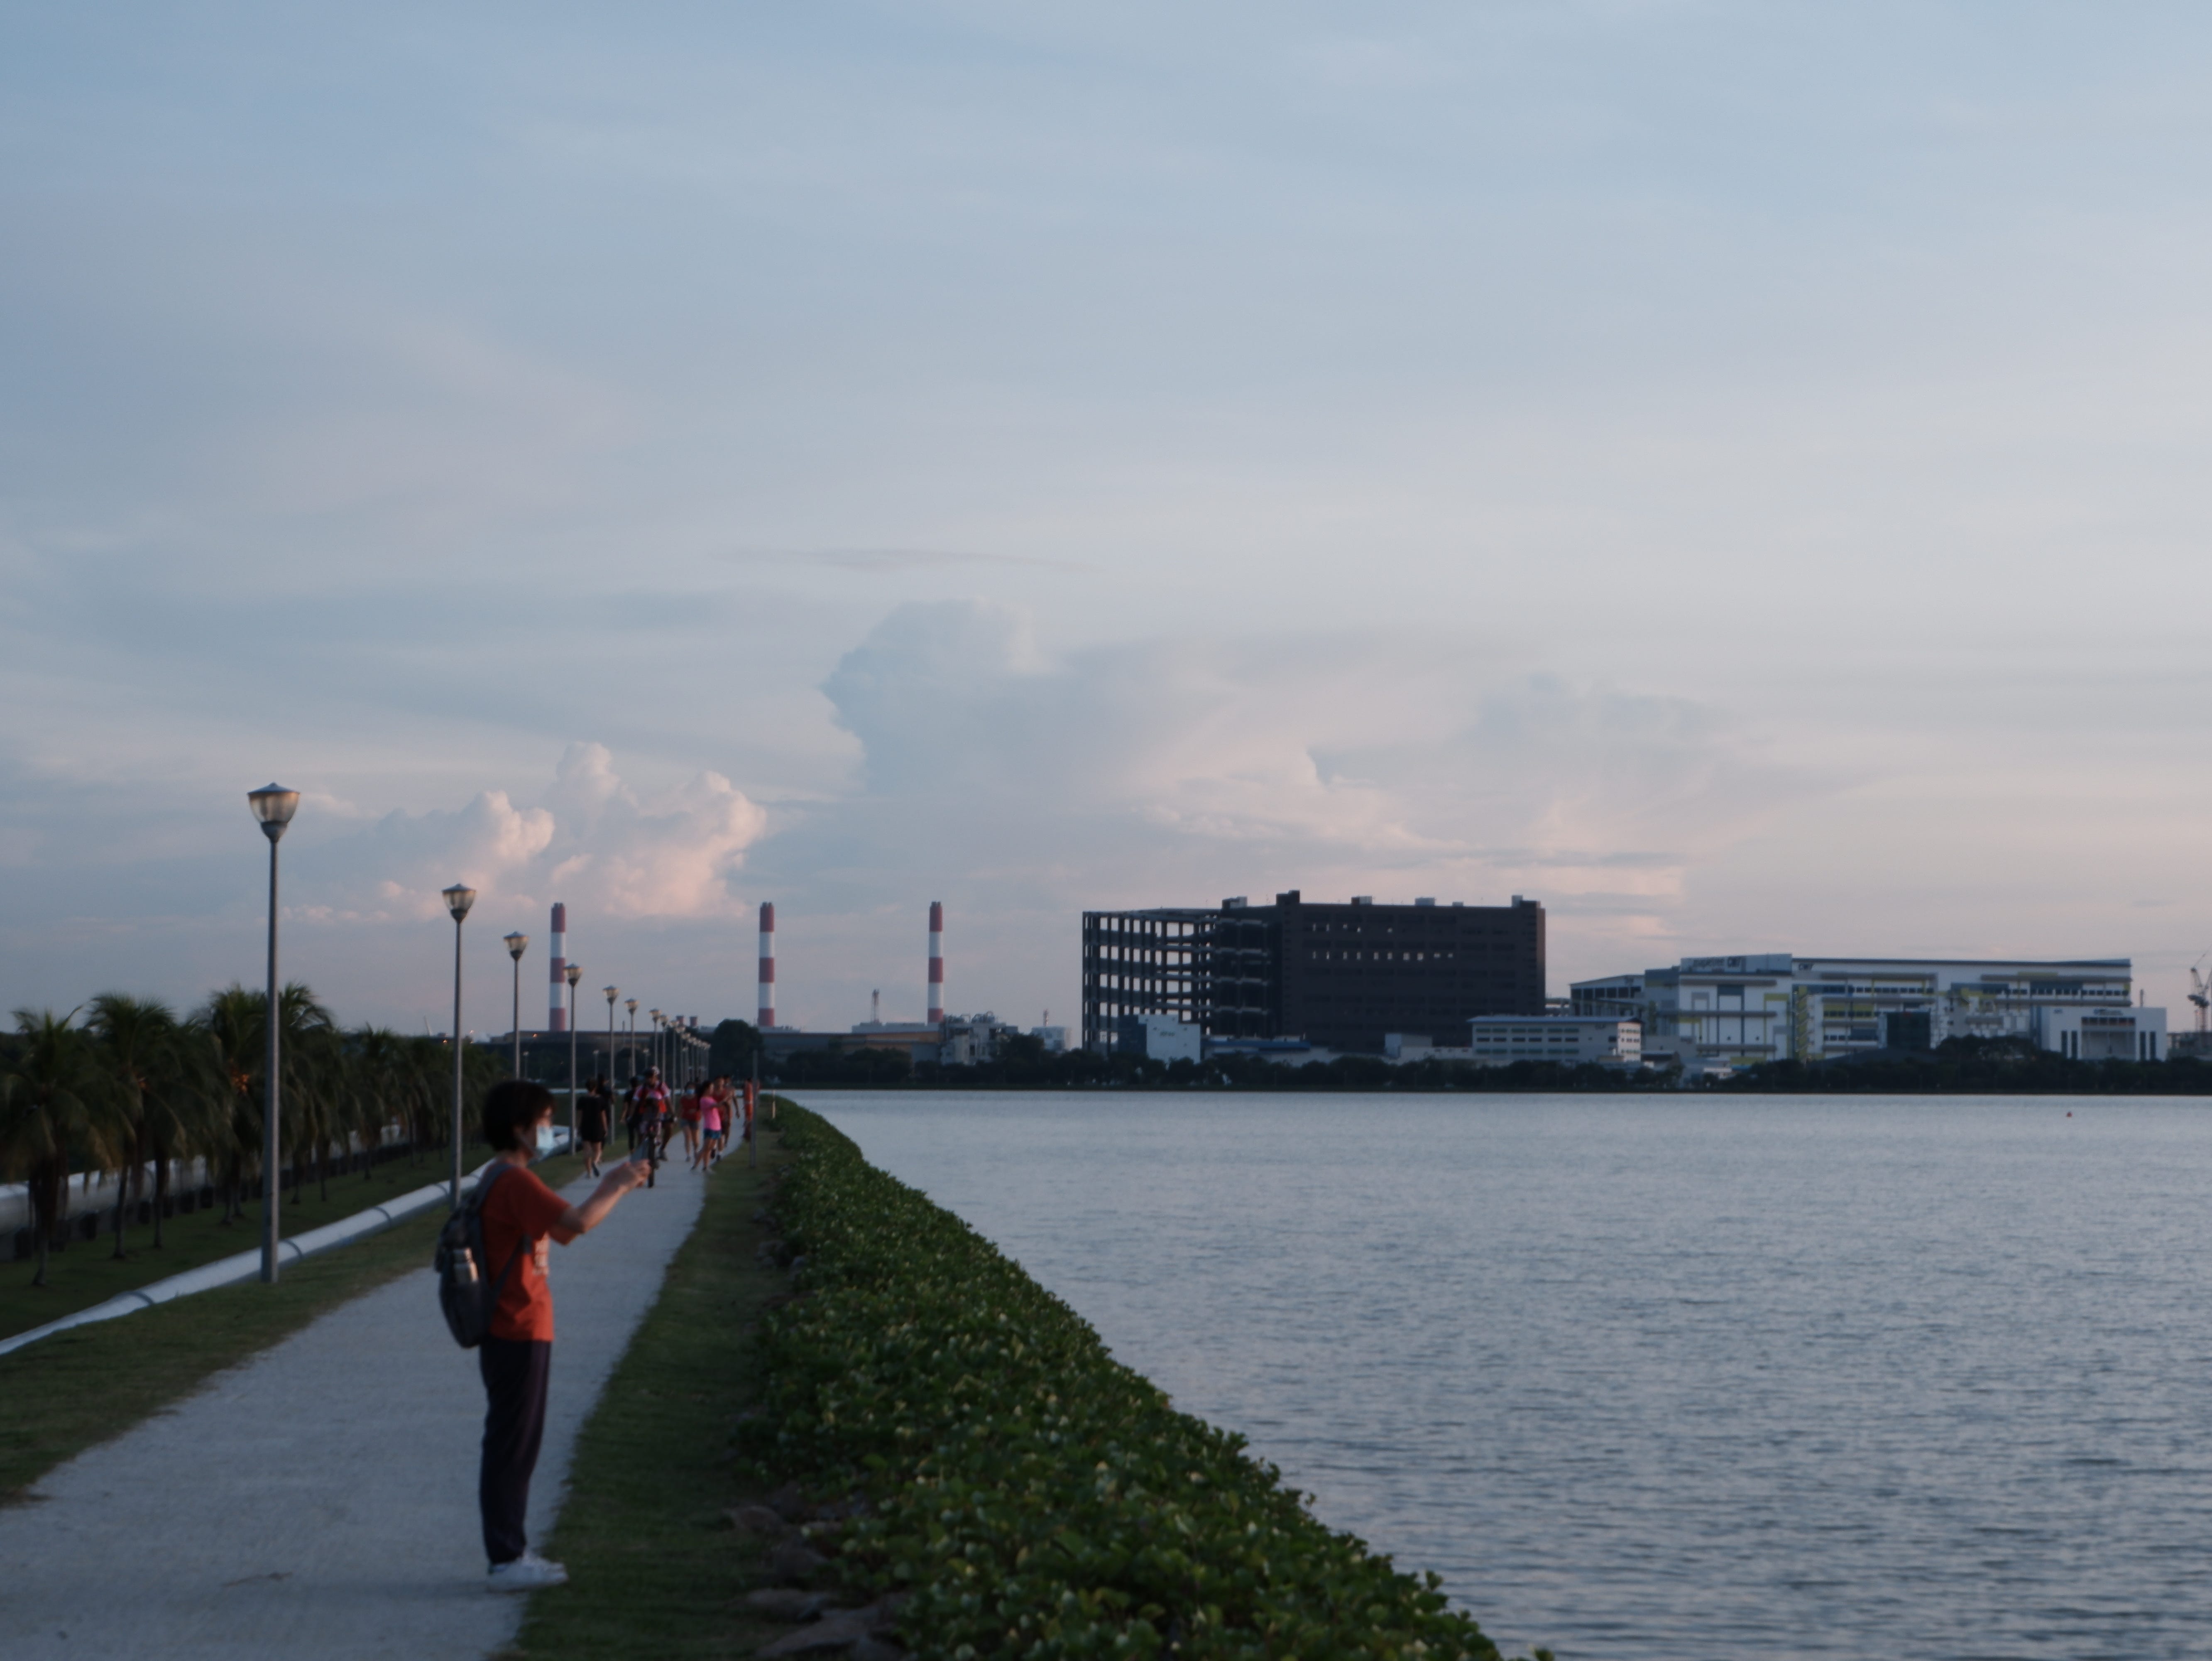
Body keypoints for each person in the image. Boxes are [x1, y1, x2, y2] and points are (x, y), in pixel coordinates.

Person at [473, 1079, 651, 1591]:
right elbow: (575, 1224)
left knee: (514, 1442)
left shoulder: (501, 1177)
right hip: (517, 1327)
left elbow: (562, 1230)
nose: (551, 1129)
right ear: (519, 1127)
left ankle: (513, 1549)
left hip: (514, 1328)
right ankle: (506, 1558)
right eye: (546, 1120)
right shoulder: (514, 1182)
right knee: (513, 1445)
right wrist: (617, 1182)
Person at [575, 1076, 612, 1177]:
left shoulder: (582, 1100)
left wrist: (578, 1128)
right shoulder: (600, 1100)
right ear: (595, 1087)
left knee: (587, 1151)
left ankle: (589, 1172)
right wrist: (605, 1128)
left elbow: (580, 1115)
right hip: (597, 1126)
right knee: (598, 1150)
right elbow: (603, 1116)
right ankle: (595, 1162)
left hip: (585, 1126)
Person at [693, 1078, 727, 1171]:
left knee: (710, 1148)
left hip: (717, 1126)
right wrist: (727, 1097)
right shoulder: (704, 1100)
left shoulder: (711, 1099)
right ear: (707, 1089)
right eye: (712, 1088)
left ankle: (705, 1166)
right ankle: (697, 1166)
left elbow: (720, 1108)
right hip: (710, 1126)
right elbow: (718, 1105)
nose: (713, 1090)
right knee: (706, 1148)